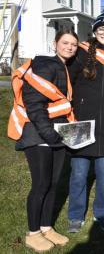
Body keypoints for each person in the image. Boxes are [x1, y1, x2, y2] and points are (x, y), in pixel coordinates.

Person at [8, 29, 78, 252]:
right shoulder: (45, 64)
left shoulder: (62, 67)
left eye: (73, 44)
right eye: (65, 42)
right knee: (40, 184)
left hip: (56, 134)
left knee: (53, 183)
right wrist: (48, 133)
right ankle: (32, 233)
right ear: (55, 43)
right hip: (39, 134)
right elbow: (33, 101)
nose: (69, 47)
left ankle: (46, 227)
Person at [67, 12, 104, 232]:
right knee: (79, 173)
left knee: (103, 174)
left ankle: (102, 214)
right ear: (95, 31)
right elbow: (68, 82)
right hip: (80, 120)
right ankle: (75, 215)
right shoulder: (81, 53)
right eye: (102, 29)